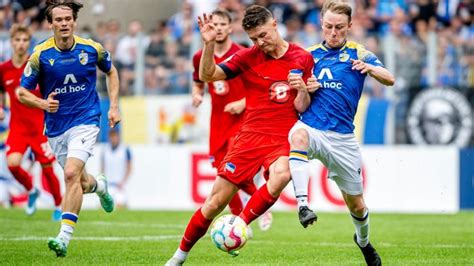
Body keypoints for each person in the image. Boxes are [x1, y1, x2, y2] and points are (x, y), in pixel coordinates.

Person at [166, 5, 314, 265]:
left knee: (282, 174)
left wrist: (302, 90)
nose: (260, 43)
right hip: (249, 137)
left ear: (274, 24)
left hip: (282, 137)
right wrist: (209, 44)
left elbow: (303, 105)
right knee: (214, 203)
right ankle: (178, 257)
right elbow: (207, 75)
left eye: (263, 35)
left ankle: (240, 224)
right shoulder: (248, 57)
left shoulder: (302, 57)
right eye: (254, 38)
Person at [288, 1, 395, 265]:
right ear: (321, 25)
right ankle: (303, 205)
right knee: (297, 136)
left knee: (357, 205)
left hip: (343, 138)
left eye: (339, 27)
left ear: (349, 26)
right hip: (312, 127)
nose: (333, 32)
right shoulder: (307, 56)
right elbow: (298, 106)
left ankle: (363, 242)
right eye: (328, 26)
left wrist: (369, 68)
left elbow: (389, 78)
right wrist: (304, 89)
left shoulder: (359, 53)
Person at [16, 0, 120, 258]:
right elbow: (21, 92)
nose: (64, 24)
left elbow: (112, 71)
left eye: (67, 19)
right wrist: (42, 103)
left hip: (86, 119)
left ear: (73, 21)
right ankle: (100, 187)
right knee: (81, 182)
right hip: (56, 127)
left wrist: (114, 107)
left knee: (71, 174)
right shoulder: (40, 54)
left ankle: (63, 238)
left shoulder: (91, 48)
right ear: (50, 24)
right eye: (58, 20)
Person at [191, 9, 272, 231]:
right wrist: (197, 93)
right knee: (223, 173)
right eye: (214, 24)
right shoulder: (200, 56)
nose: (217, 28)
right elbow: (198, 80)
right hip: (218, 122)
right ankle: (237, 225)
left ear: (229, 27)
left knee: (234, 168)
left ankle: (260, 206)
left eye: (221, 24)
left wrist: (243, 103)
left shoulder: (243, 54)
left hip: (242, 122)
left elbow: (261, 87)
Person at [0, 24, 63, 220]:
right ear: (11, 43)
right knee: (12, 164)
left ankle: (59, 205)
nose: (20, 44)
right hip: (18, 127)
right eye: (17, 40)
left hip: (39, 126)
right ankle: (31, 190)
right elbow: (1, 91)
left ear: (29, 43)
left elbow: (49, 90)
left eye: (24, 40)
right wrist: (1, 108)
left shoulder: (36, 66)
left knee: (47, 168)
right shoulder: (4, 69)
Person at [100, 128, 131, 208]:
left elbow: (129, 168)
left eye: (115, 136)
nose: (113, 138)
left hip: (120, 185)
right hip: (109, 185)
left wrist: (123, 182)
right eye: (111, 136)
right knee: (102, 206)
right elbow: (102, 168)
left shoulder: (125, 149)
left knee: (120, 204)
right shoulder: (105, 150)